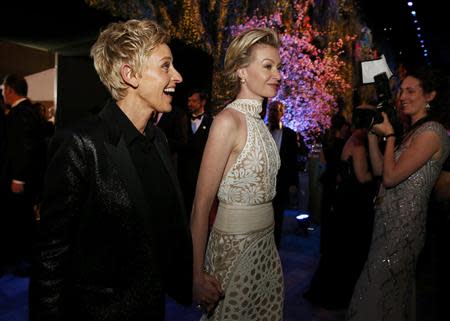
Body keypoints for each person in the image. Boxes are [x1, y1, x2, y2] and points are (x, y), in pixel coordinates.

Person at [29, 19, 193, 321]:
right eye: (166, 66)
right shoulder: (80, 144)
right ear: (129, 74)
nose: (178, 77)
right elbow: (50, 258)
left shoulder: (157, 139)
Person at [190, 28, 284, 320]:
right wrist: (196, 276)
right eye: (267, 66)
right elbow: (200, 206)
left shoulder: (261, 125)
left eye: (278, 67)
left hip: (266, 250)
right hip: (234, 253)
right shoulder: (227, 121)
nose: (277, 75)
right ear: (242, 71)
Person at [347, 66, 450, 321]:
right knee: (387, 296)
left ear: (430, 95)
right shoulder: (412, 133)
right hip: (386, 223)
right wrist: (374, 134)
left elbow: (391, 178)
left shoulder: (432, 133)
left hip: (404, 229)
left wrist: (390, 135)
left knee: (372, 293)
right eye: (401, 90)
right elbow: (382, 169)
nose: (402, 96)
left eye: (411, 91)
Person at [1, 74, 47, 275]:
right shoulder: (31, 111)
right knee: (23, 219)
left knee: (20, 221)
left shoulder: (21, 114)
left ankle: (24, 262)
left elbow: (23, 148)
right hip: (32, 179)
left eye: (3, 90)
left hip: (22, 180)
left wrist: (18, 178)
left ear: (10, 90)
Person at [267, 100, 298, 248]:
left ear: (282, 113)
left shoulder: (290, 135)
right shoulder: (262, 131)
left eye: (276, 110)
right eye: (271, 110)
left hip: (281, 183)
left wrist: (293, 184)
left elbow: (293, 161)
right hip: (262, 182)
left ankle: (274, 249)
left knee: (278, 218)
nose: (272, 113)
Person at [178, 89, 213, 218]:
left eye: (193, 101)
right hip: (182, 174)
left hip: (200, 175)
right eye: (189, 101)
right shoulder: (182, 119)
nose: (189, 104)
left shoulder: (211, 123)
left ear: (202, 102)